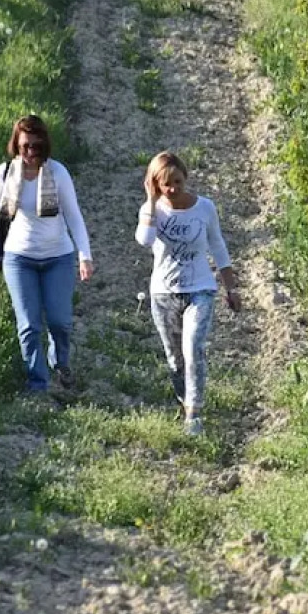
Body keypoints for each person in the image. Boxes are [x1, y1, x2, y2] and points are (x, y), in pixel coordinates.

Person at [0, 115, 94, 395]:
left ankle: (61, 363)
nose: (31, 152)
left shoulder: (57, 173)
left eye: (36, 146)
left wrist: (85, 255)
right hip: (19, 257)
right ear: (16, 146)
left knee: (59, 320)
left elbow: (73, 216)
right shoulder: (6, 173)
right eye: (25, 147)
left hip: (58, 256)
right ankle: (37, 383)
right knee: (29, 325)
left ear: (44, 145)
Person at [135, 150, 238, 436]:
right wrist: (151, 203)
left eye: (178, 182)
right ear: (155, 184)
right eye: (166, 184)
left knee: (192, 349)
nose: (173, 189)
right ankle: (184, 400)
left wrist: (230, 286)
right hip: (164, 292)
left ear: (186, 177)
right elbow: (144, 240)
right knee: (174, 356)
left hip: (200, 289)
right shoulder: (152, 210)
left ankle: (194, 411)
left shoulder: (204, 208)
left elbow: (217, 245)